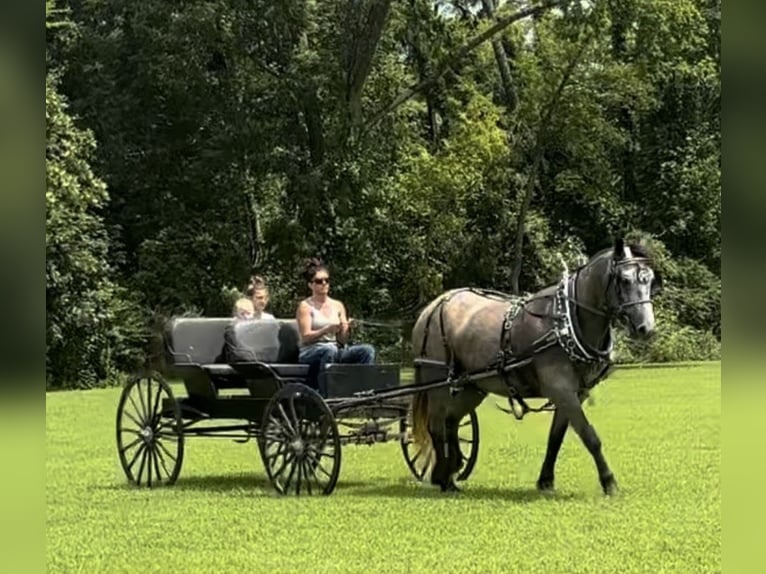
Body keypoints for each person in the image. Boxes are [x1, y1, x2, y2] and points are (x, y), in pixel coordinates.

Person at [296, 258, 375, 395]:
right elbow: (306, 337)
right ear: (311, 285)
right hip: (311, 351)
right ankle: (327, 393)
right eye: (319, 281)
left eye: (327, 280)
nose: (324, 284)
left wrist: (345, 328)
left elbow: (343, 341)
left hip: (335, 349)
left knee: (367, 350)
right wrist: (326, 330)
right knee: (329, 349)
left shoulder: (337, 305)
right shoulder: (305, 306)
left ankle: (363, 390)